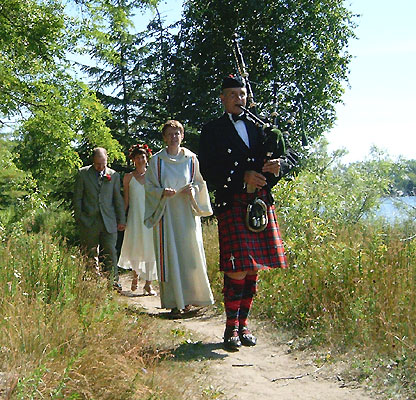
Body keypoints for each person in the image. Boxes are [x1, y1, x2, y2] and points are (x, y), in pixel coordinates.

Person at [199, 75, 292, 351]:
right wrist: (242, 177)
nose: (239, 99)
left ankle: (244, 325)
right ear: (222, 98)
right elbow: (209, 169)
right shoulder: (212, 130)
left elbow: (285, 160)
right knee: (237, 268)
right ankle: (230, 329)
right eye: (232, 94)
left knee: (253, 268)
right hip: (233, 201)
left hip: (259, 203)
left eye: (242, 94)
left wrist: (278, 166)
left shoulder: (259, 128)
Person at [144, 120, 214, 315]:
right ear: (164, 137)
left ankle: (191, 299)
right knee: (170, 257)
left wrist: (193, 190)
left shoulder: (191, 159)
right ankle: (175, 303)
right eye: (170, 134)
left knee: (190, 256)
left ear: (182, 136)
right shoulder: (157, 161)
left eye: (177, 133)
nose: (174, 137)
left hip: (187, 215)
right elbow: (148, 187)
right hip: (166, 216)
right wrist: (161, 192)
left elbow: (200, 183)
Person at [73, 147, 126, 291]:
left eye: (103, 164)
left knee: (111, 251)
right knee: (90, 253)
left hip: (109, 221)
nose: (101, 167)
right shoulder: (83, 174)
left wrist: (122, 219)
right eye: (98, 165)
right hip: (88, 221)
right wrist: (79, 217)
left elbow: (118, 199)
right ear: (93, 161)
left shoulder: (113, 175)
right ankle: (92, 281)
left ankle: (113, 282)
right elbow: (77, 198)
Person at [118, 144, 157, 295]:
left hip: (149, 216)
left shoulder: (152, 176)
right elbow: (126, 200)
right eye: (137, 157)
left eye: (143, 157)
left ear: (147, 158)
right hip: (135, 216)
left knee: (150, 248)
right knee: (135, 245)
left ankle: (148, 283)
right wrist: (122, 218)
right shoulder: (128, 177)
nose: (140, 160)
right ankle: (135, 274)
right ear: (133, 160)